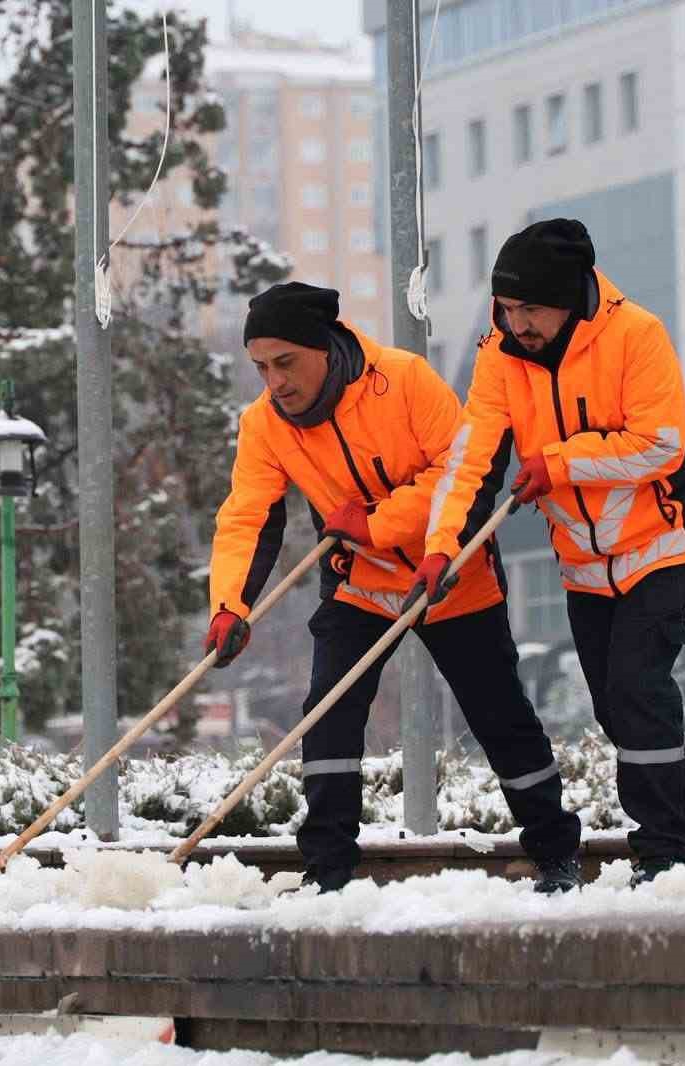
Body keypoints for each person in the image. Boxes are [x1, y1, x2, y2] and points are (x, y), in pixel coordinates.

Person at [417, 218, 685, 886]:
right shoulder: (500, 354)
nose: (515, 323)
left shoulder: (635, 335)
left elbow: (661, 443)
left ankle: (662, 847)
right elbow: (470, 460)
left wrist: (558, 463)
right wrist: (442, 546)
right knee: (617, 708)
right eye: (507, 308)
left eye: (531, 310)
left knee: (639, 693)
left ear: (570, 299)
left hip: (660, 540)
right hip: (582, 557)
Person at [204, 281, 583, 895]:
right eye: (261, 368)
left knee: (499, 717)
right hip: (360, 585)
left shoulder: (404, 380)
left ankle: (557, 851)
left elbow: (464, 472)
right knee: (327, 714)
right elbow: (247, 516)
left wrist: (378, 523)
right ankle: (327, 868)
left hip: (450, 575)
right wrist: (230, 605)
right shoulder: (264, 426)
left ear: (324, 347)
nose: (275, 382)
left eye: (286, 362)